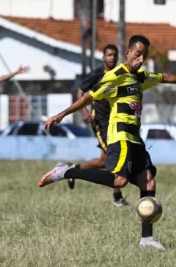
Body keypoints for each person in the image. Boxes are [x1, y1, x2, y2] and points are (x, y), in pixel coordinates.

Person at [39, 35, 176, 249]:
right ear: (128, 53)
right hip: (120, 135)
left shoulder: (141, 77)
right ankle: (66, 172)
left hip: (135, 138)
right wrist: (62, 114)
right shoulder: (115, 76)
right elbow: (89, 97)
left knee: (148, 181)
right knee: (119, 181)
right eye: (137, 54)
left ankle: (147, 239)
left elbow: (164, 77)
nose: (140, 59)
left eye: (144, 55)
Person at [67, 44, 158, 208]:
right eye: (109, 55)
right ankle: (116, 195)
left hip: (116, 121)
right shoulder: (97, 75)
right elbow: (81, 93)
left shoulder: (122, 74)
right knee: (111, 159)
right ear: (103, 57)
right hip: (102, 122)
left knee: (104, 161)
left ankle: (74, 168)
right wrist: (85, 112)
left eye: (114, 55)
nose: (112, 58)